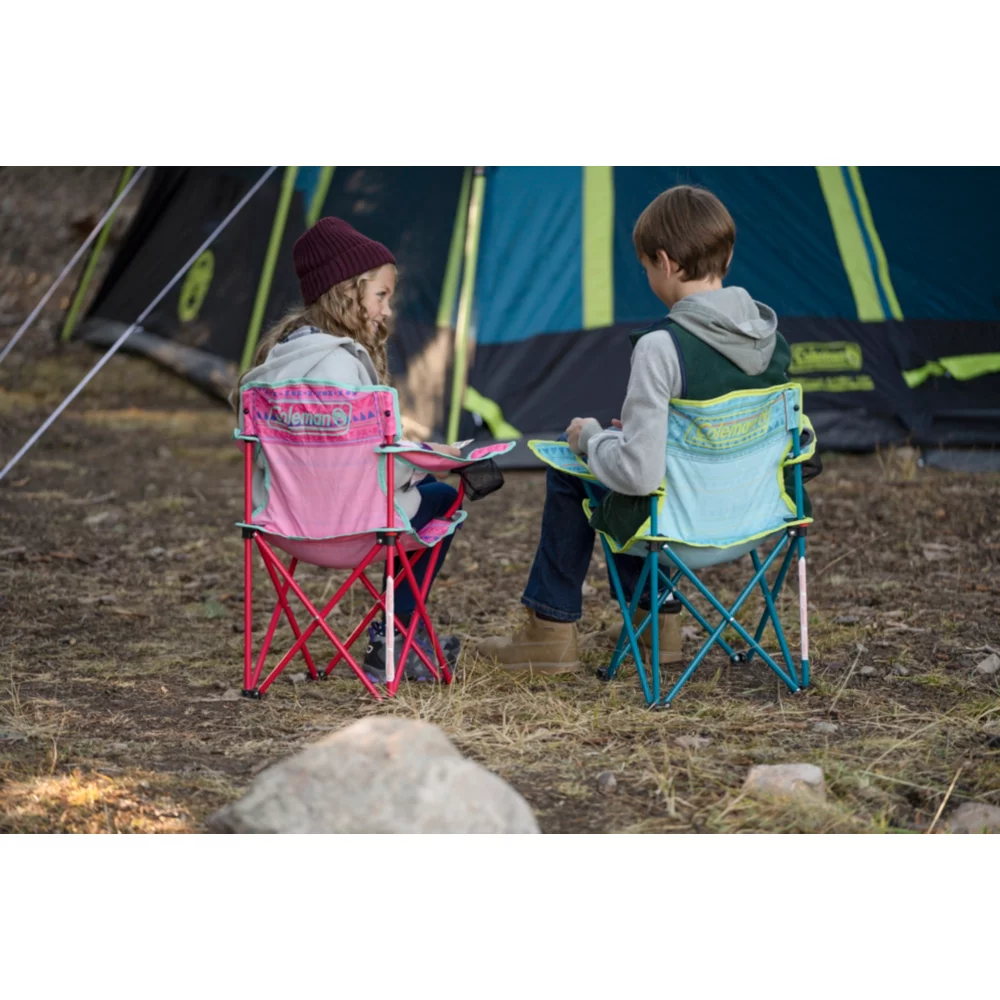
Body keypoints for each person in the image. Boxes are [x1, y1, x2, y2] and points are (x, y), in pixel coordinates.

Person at [480, 184, 807, 675]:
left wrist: (592, 439)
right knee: (630, 458)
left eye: (646, 268)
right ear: (727, 255)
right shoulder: (771, 341)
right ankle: (658, 624)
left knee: (573, 463)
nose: (649, 276)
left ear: (665, 263)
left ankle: (550, 629)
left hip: (681, 530)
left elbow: (637, 474)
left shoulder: (662, 346)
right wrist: (636, 438)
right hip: (757, 521)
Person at [237, 217, 460, 682]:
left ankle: (395, 638)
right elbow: (376, 472)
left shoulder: (272, 366)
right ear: (347, 291)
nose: (387, 310)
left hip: (282, 527)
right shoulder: (346, 367)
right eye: (381, 295)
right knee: (441, 498)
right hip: (356, 528)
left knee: (415, 493)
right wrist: (427, 462)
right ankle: (396, 636)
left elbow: (273, 461)